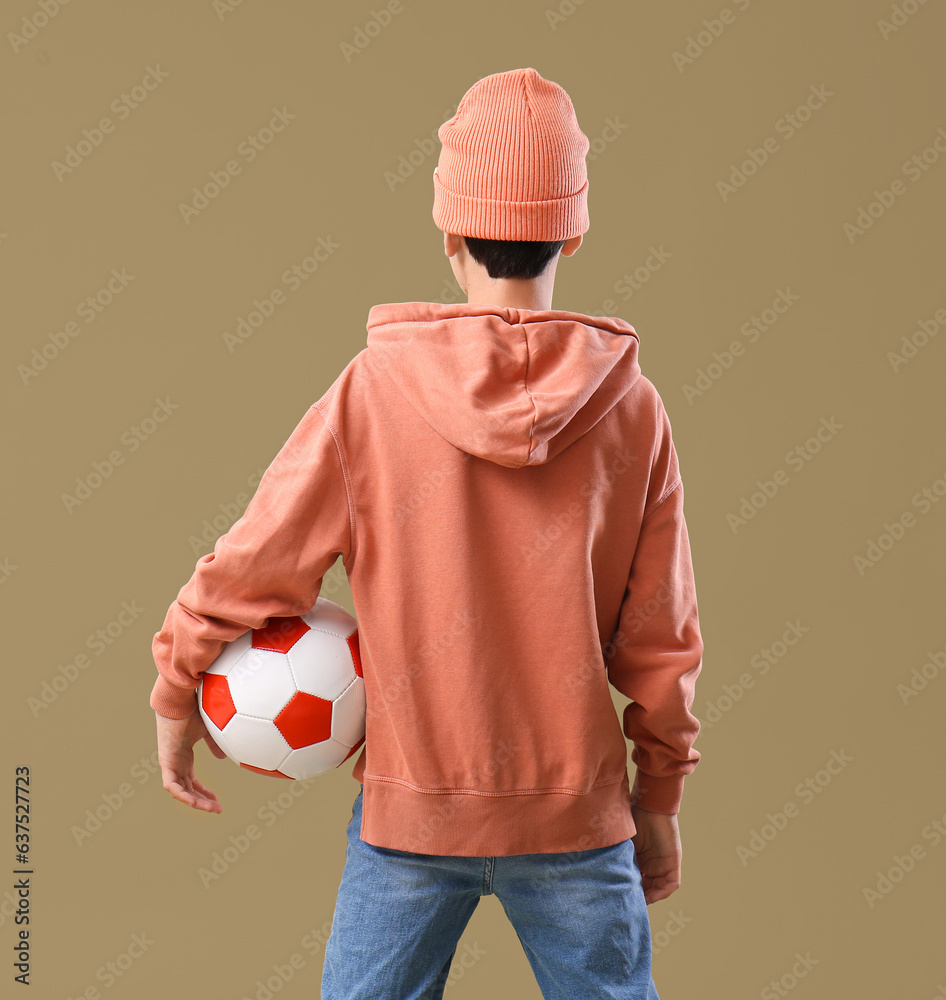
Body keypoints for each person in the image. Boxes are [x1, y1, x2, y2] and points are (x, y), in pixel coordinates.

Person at [151, 66, 704, 1000]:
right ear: (573, 227)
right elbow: (661, 638)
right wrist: (661, 793)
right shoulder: (632, 411)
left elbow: (256, 562)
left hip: (412, 821)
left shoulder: (373, 394)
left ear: (448, 228)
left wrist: (176, 689)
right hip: (576, 818)